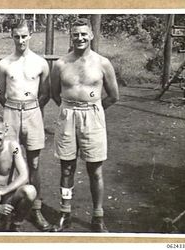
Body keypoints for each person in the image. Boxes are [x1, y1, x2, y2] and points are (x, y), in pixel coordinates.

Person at [51, 18, 119, 232]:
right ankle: (65, 213)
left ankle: (98, 216)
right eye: (75, 34)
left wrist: (94, 111)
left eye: (83, 34)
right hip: (68, 116)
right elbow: (55, 94)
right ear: (71, 37)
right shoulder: (61, 64)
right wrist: (70, 111)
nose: (79, 38)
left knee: (95, 169)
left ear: (91, 35)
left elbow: (113, 96)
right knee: (66, 168)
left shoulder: (103, 63)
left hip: (93, 117)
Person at [0, 19, 51, 231]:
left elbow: (46, 92)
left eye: (24, 36)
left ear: (30, 35)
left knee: (34, 163)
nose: (20, 40)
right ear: (12, 36)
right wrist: (12, 108)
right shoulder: (4, 64)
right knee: (10, 162)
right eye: (16, 36)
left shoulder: (40, 62)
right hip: (11, 111)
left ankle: (35, 209)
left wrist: (32, 109)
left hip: (32, 112)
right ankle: (8, 211)